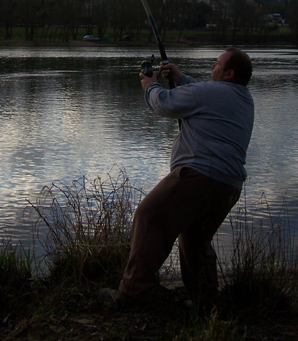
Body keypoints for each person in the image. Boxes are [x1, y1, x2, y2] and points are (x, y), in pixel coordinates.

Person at [106, 47, 254, 308]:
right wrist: (181, 78)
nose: (212, 67)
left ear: (229, 73)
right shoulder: (242, 98)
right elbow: (201, 95)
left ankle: (133, 293)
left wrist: (150, 85)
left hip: (199, 177)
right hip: (229, 186)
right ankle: (206, 303)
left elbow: (164, 103)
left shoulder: (213, 93)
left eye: (217, 64)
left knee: (149, 216)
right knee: (195, 238)